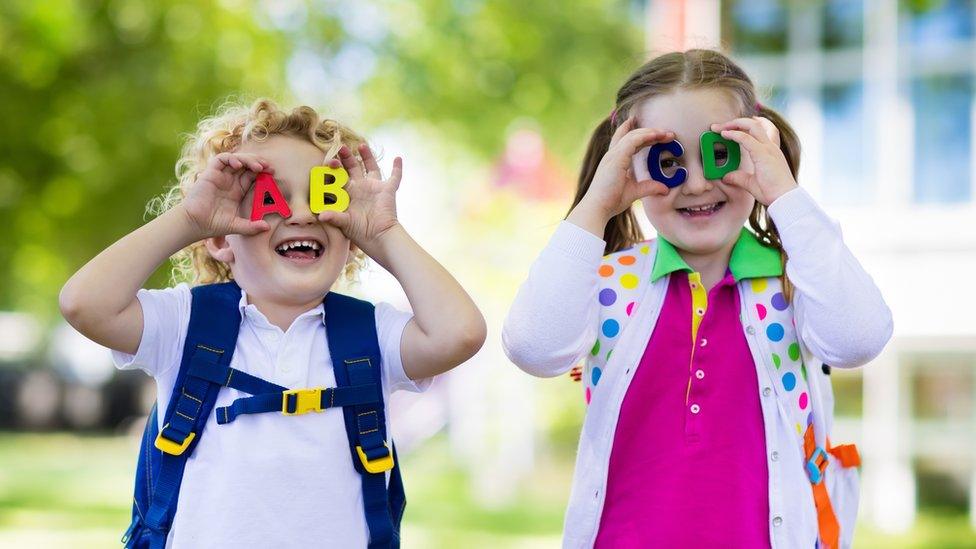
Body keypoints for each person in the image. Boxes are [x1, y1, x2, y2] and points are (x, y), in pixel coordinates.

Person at [503, 49, 892, 548]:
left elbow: (859, 339)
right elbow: (534, 349)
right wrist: (595, 206)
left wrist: (785, 196)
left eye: (720, 154)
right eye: (667, 161)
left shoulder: (797, 280)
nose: (697, 182)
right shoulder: (609, 280)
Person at [59, 99, 486, 547]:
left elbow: (461, 333)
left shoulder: (371, 336)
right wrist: (190, 220)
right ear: (223, 237)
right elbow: (84, 304)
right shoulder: (185, 325)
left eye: (324, 195)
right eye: (272, 197)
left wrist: (384, 234)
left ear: (350, 237)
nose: (302, 214)